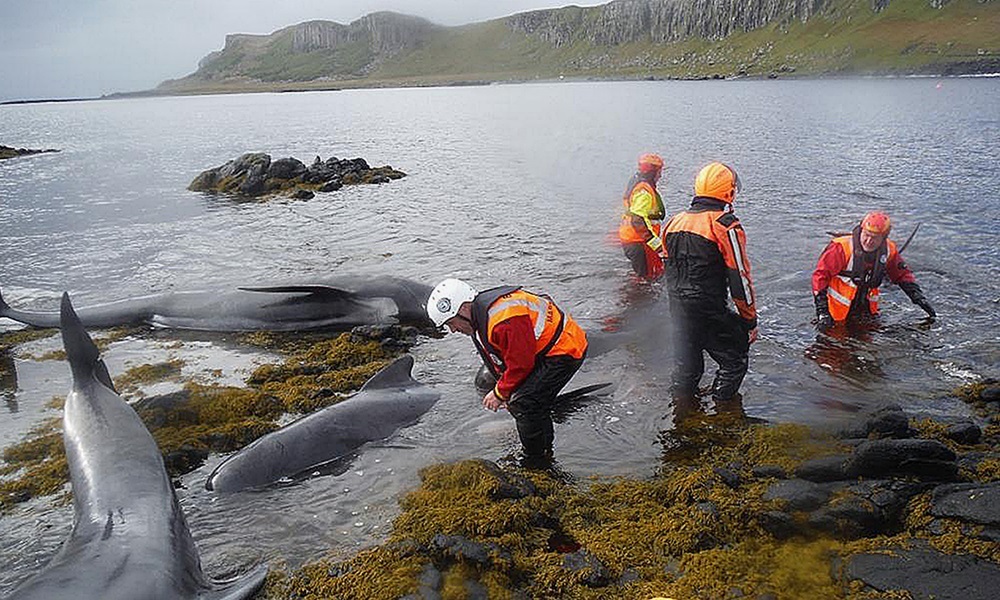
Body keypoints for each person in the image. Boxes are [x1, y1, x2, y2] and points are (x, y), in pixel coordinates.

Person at [427, 278, 588, 466]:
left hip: (565, 349)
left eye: (452, 323)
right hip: (546, 349)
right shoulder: (482, 317)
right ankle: (544, 450)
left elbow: (521, 364)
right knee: (524, 401)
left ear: (463, 309)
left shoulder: (504, 320)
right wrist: (505, 392)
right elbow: (503, 360)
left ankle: (535, 461)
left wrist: (500, 393)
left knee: (525, 403)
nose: (453, 330)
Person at [661, 162, 758, 413]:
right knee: (735, 359)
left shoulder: (673, 222)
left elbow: (667, 267)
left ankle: (681, 415)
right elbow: (740, 277)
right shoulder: (725, 224)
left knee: (687, 367)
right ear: (729, 192)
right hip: (707, 307)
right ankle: (724, 412)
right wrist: (749, 321)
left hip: (677, 308)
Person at [812, 211, 935, 331]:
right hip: (836, 314)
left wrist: (918, 297)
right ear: (861, 230)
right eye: (866, 235)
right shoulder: (840, 248)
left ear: (884, 238)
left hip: (867, 311)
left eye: (875, 238)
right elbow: (820, 276)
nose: (869, 241)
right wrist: (822, 311)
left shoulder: (889, 250)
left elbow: (902, 275)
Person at [619, 153, 666, 281]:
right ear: (652, 172)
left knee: (642, 277)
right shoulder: (644, 190)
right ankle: (636, 298)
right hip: (639, 241)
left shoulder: (635, 183)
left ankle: (633, 296)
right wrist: (656, 245)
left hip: (631, 238)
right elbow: (637, 219)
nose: (660, 176)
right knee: (648, 279)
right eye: (659, 172)